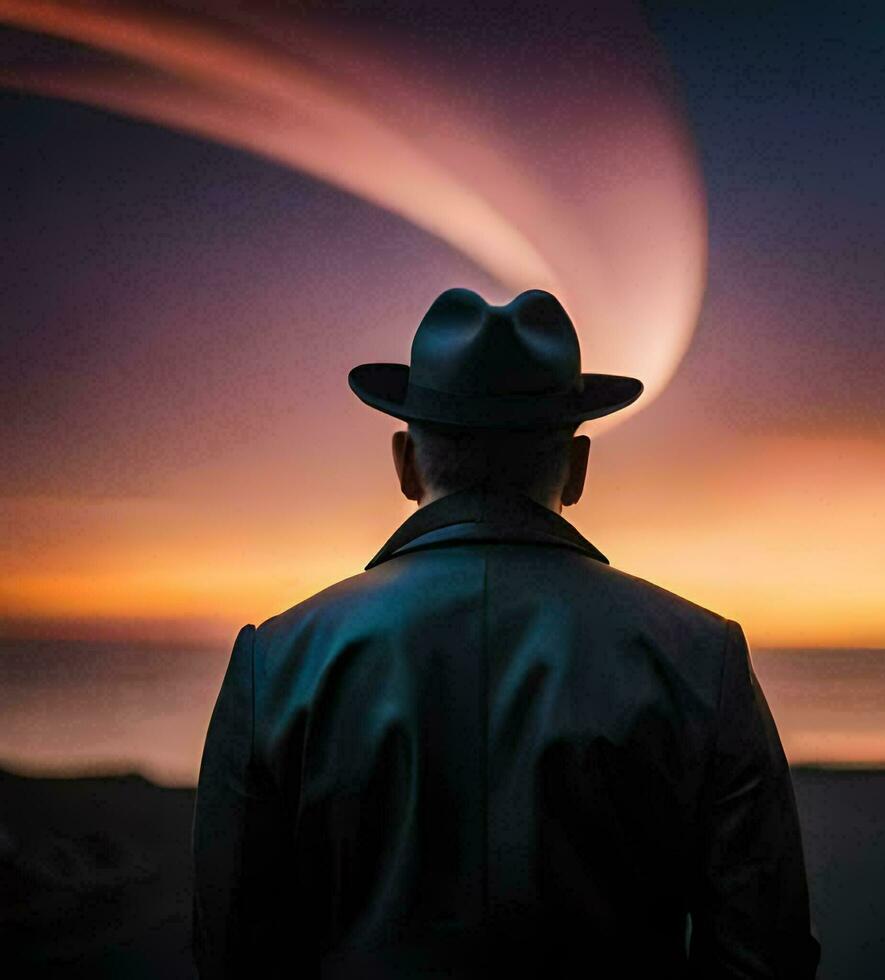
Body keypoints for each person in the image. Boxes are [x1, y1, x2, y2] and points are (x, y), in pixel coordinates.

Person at [191, 287, 820, 978]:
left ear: (404, 461)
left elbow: (230, 953)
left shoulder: (277, 663)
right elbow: (766, 955)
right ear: (577, 469)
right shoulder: (702, 658)